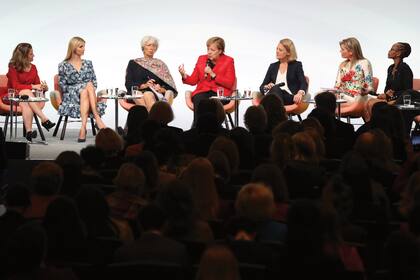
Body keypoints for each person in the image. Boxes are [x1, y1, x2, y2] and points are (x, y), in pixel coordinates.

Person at [179, 36, 236, 127]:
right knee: (200, 100)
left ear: (220, 51)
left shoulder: (228, 61)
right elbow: (193, 80)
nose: (209, 52)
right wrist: (184, 75)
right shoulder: (201, 59)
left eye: (212, 50)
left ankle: (213, 129)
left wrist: (213, 74)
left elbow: (230, 83)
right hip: (202, 92)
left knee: (210, 104)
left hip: (220, 93)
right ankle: (198, 129)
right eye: (208, 49)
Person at [58, 36, 106, 142]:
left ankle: (83, 128)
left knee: (87, 88)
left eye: (84, 46)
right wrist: (78, 87)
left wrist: (84, 87)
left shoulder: (88, 63)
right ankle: (97, 118)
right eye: (81, 46)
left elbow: (94, 81)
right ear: (74, 48)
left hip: (87, 93)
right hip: (71, 95)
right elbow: (63, 86)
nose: (84, 49)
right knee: (86, 86)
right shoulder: (63, 65)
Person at [5, 43, 55, 142]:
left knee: (25, 102)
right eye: (31, 54)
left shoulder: (34, 67)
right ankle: (44, 119)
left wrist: (43, 87)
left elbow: (37, 84)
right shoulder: (13, 67)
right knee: (26, 91)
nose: (34, 55)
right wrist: (33, 86)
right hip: (13, 96)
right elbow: (16, 86)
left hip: (26, 99)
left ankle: (29, 132)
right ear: (23, 56)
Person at [125, 35, 177, 111]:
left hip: (156, 94)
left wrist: (161, 89)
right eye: (149, 45)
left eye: (154, 46)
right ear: (143, 47)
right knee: (148, 94)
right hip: (138, 93)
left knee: (167, 93)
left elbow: (170, 86)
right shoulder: (133, 63)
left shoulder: (160, 64)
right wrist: (144, 85)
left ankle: (155, 120)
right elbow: (128, 83)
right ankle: (157, 120)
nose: (151, 48)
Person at [257, 38, 308, 106]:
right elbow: (262, 87)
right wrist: (266, 87)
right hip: (274, 95)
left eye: (280, 50)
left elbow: (303, 82)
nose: (277, 51)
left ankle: (266, 113)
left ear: (288, 52)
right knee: (274, 91)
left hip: (289, 97)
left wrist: (300, 93)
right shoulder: (273, 66)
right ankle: (278, 114)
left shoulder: (296, 65)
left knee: (274, 91)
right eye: (277, 49)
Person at [334, 37, 373, 118]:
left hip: (358, 97)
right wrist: (334, 92)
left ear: (351, 51)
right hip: (343, 95)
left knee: (326, 103)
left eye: (342, 49)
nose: (340, 51)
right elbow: (337, 84)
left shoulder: (364, 62)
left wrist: (365, 91)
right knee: (321, 96)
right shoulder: (342, 64)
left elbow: (369, 86)